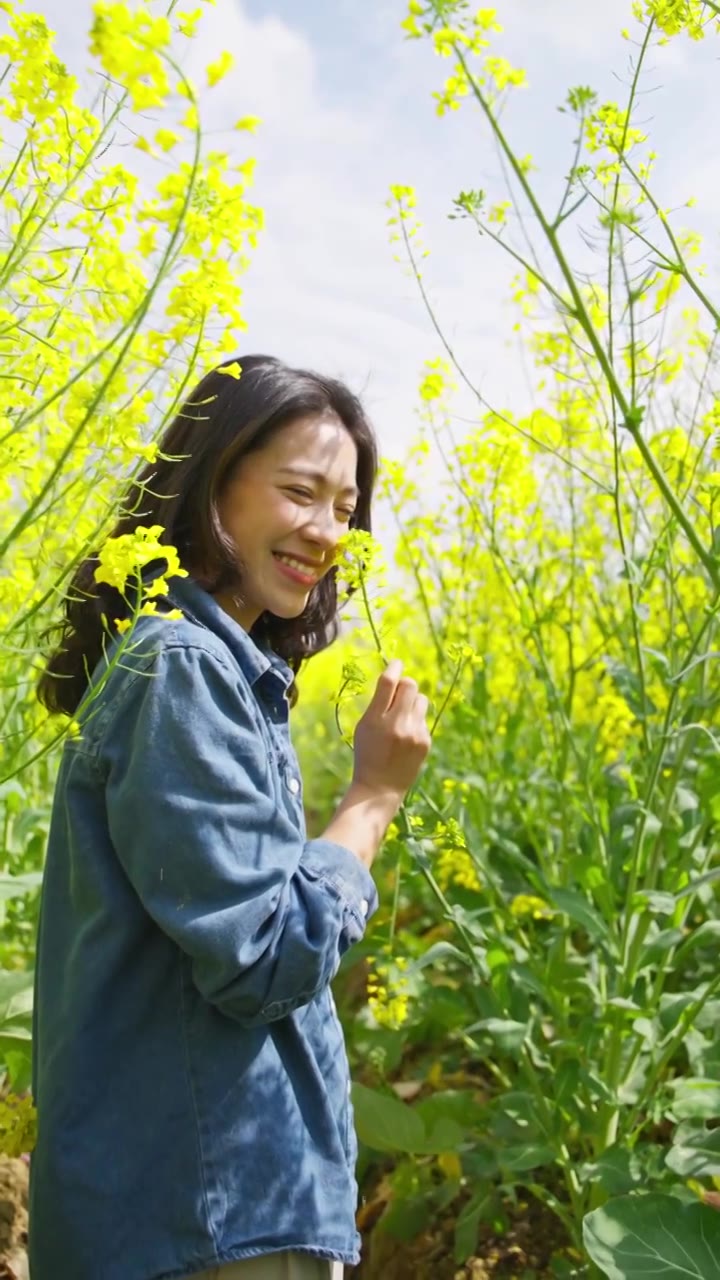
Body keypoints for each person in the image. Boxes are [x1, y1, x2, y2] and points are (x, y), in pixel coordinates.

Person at [30, 354, 432, 1280]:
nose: (329, 530)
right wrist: (374, 796)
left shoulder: (204, 668)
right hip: (208, 1218)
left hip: (190, 1207)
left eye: (345, 505)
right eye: (301, 491)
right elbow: (265, 956)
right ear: (215, 483)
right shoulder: (183, 667)